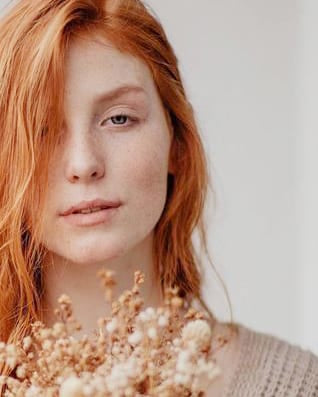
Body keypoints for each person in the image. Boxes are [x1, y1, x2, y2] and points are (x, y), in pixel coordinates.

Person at [0, 0, 317, 395]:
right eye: (42, 129)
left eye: (118, 119)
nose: (83, 164)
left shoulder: (298, 385)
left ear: (177, 144)